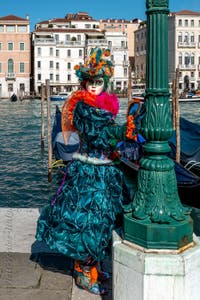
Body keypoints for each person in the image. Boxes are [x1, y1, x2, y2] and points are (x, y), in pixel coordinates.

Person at [36, 47, 139, 295]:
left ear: (105, 83)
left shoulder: (105, 107)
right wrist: (124, 130)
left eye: (99, 82)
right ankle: (83, 270)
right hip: (89, 172)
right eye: (90, 81)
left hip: (104, 170)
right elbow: (99, 135)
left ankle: (93, 266)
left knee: (103, 221)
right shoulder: (82, 108)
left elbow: (107, 136)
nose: (94, 86)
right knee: (87, 221)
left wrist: (122, 133)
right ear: (85, 82)